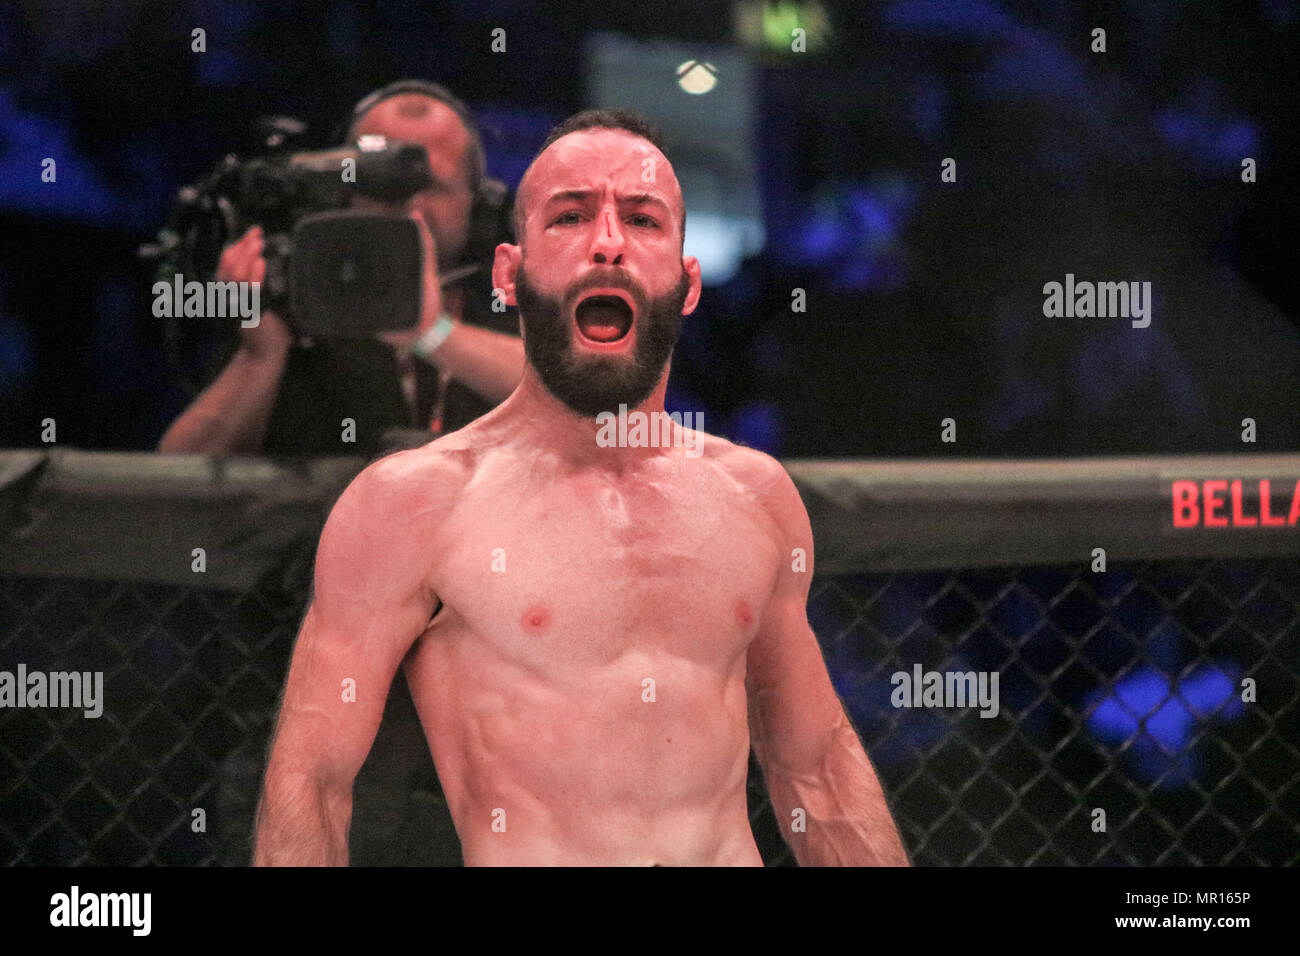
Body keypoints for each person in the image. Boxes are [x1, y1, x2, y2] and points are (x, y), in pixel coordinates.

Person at [254, 108, 909, 866]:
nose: (608, 242)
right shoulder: (414, 502)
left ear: (688, 282)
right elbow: (313, 777)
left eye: (642, 219)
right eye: (569, 217)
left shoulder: (755, 496)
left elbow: (816, 767)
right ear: (509, 273)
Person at [157, 81, 524, 455]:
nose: (408, 206)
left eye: (428, 185)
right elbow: (178, 477)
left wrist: (434, 334)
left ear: (479, 206)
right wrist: (261, 355)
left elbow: (578, 396)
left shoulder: (510, 298)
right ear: (343, 191)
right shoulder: (294, 298)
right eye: (380, 181)